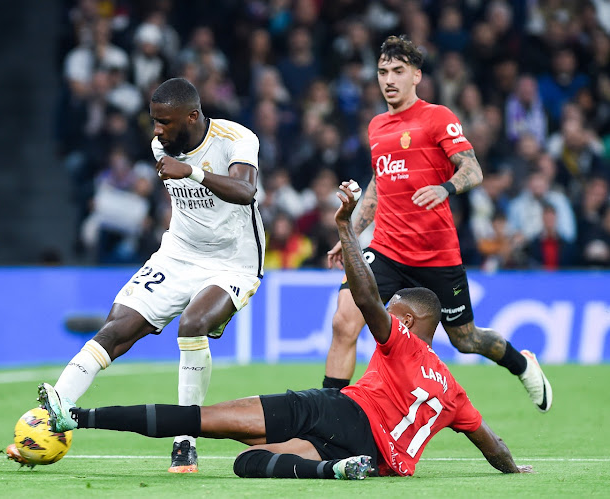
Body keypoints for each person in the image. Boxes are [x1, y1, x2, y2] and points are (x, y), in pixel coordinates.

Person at [31, 181, 533, 480]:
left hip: (338, 409)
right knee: (249, 462)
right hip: (374, 456)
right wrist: (515, 472)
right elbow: (495, 448)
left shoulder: (400, 339)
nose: (387, 303)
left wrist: (344, 229)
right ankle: (330, 473)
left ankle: (77, 415)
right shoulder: (454, 393)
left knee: (201, 417)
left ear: (405, 320)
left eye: (393, 303)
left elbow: (364, 297)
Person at [37, 77, 265, 474]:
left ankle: (185, 441)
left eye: (164, 121)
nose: (157, 131)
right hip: (178, 252)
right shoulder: (163, 145)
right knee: (117, 326)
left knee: (192, 324)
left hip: (234, 260)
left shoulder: (237, 138)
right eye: (154, 121)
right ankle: (53, 410)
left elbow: (246, 192)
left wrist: (191, 172)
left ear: (192, 116)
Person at [321, 36, 553, 415]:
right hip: (386, 249)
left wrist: (445, 188)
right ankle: (327, 415)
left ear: (417, 75)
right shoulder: (377, 126)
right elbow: (379, 185)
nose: (389, 80)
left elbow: (473, 168)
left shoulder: (437, 118)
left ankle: (521, 363)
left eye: (398, 71)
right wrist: (349, 234)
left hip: (436, 254)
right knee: (344, 321)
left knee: (466, 340)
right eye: (382, 72)